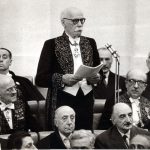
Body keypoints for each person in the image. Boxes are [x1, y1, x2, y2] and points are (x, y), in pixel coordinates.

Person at [35, 7, 100, 130]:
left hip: (86, 99)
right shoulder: (51, 44)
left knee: (83, 137)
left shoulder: (90, 42)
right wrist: (62, 79)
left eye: (82, 20)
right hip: (62, 99)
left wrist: (96, 78)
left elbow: (98, 71)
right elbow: (40, 78)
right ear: (63, 22)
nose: (80, 24)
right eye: (75, 21)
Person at [96, 47, 126, 129]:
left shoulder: (121, 81)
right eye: (100, 59)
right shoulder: (88, 80)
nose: (104, 63)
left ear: (112, 61)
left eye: (107, 59)